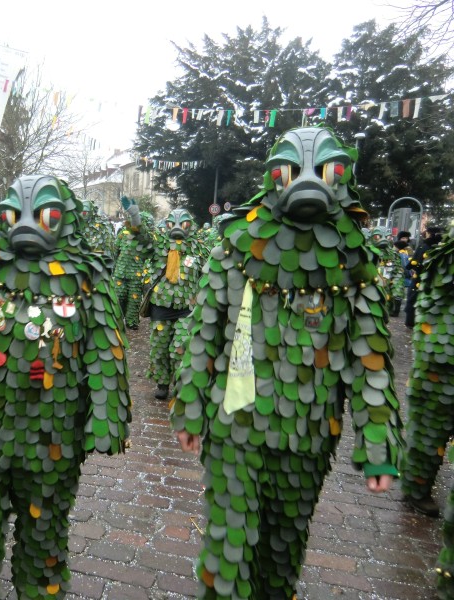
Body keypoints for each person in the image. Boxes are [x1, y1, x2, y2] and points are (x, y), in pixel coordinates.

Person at [170, 127, 401, 599]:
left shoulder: (356, 260)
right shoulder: (236, 247)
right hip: (235, 424)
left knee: (282, 553)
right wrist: (190, 405)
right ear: (273, 178)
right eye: (291, 170)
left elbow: (370, 361)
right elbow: (204, 330)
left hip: (309, 435)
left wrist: (378, 445)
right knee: (227, 551)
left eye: (329, 169)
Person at [0, 170, 132, 599]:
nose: (25, 224)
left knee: (43, 536)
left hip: (51, 435)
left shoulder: (86, 277)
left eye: (44, 213)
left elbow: (105, 346)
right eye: (13, 213)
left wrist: (107, 414)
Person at [122, 200, 208, 399]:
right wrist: (134, 215)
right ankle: (162, 384)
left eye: (183, 223)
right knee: (159, 348)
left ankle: (180, 382)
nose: (177, 228)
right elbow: (141, 237)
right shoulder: (158, 244)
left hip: (187, 308)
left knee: (180, 347)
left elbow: (208, 273)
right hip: (161, 306)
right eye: (172, 223)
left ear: (190, 225)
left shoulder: (199, 249)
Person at [401, 220, 454, 519]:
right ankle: (416, 487)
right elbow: (430, 307)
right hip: (441, 368)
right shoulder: (444, 261)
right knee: (428, 435)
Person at [405, 225, 443, 328]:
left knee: (412, 298)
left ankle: (411, 322)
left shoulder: (424, 245)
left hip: (419, 277)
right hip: (433, 279)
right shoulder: (441, 247)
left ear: (429, 233)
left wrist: (410, 267)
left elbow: (414, 261)